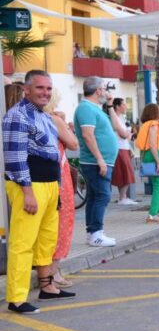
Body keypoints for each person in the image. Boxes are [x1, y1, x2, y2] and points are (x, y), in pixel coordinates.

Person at [3, 70, 75, 313]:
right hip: (29, 185)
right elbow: (15, 158)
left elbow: (54, 154)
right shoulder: (17, 116)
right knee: (23, 243)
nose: (45, 93)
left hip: (49, 185)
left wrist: (56, 188)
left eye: (48, 89)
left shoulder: (43, 116)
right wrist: (28, 193)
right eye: (40, 88)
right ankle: (17, 298)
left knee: (46, 240)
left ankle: (47, 287)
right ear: (26, 89)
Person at [73, 76, 118, 247]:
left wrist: (110, 103)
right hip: (95, 162)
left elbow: (113, 127)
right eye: (105, 89)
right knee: (102, 195)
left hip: (101, 161)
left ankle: (93, 232)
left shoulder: (95, 108)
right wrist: (100, 159)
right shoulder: (86, 109)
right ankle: (96, 233)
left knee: (94, 196)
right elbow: (87, 135)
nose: (106, 92)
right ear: (98, 90)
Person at [44, 95, 80, 288]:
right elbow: (74, 143)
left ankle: (50, 272)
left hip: (45, 174)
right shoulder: (53, 119)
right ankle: (53, 272)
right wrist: (65, 125)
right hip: (58, 173)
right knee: (62, 220)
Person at [136, 103, 159, 223]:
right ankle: (153, 214)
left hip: (147, 154)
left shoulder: (145, 125)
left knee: (157, 184)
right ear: (154, 112)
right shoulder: (154, 125)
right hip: (156, 153)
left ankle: (157, 211)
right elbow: (153, 144)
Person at [107, 96, 137, 205]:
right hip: (119, 147)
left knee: (124, 172)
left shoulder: (122, 118)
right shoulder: (115, 118)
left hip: (124, 147)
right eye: (123, 104)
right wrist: (128, 134)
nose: (125, 107)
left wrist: (130, 147)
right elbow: (123, 134)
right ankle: (122, 197)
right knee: (125, 172)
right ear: (117, 106)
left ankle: (122, 196)